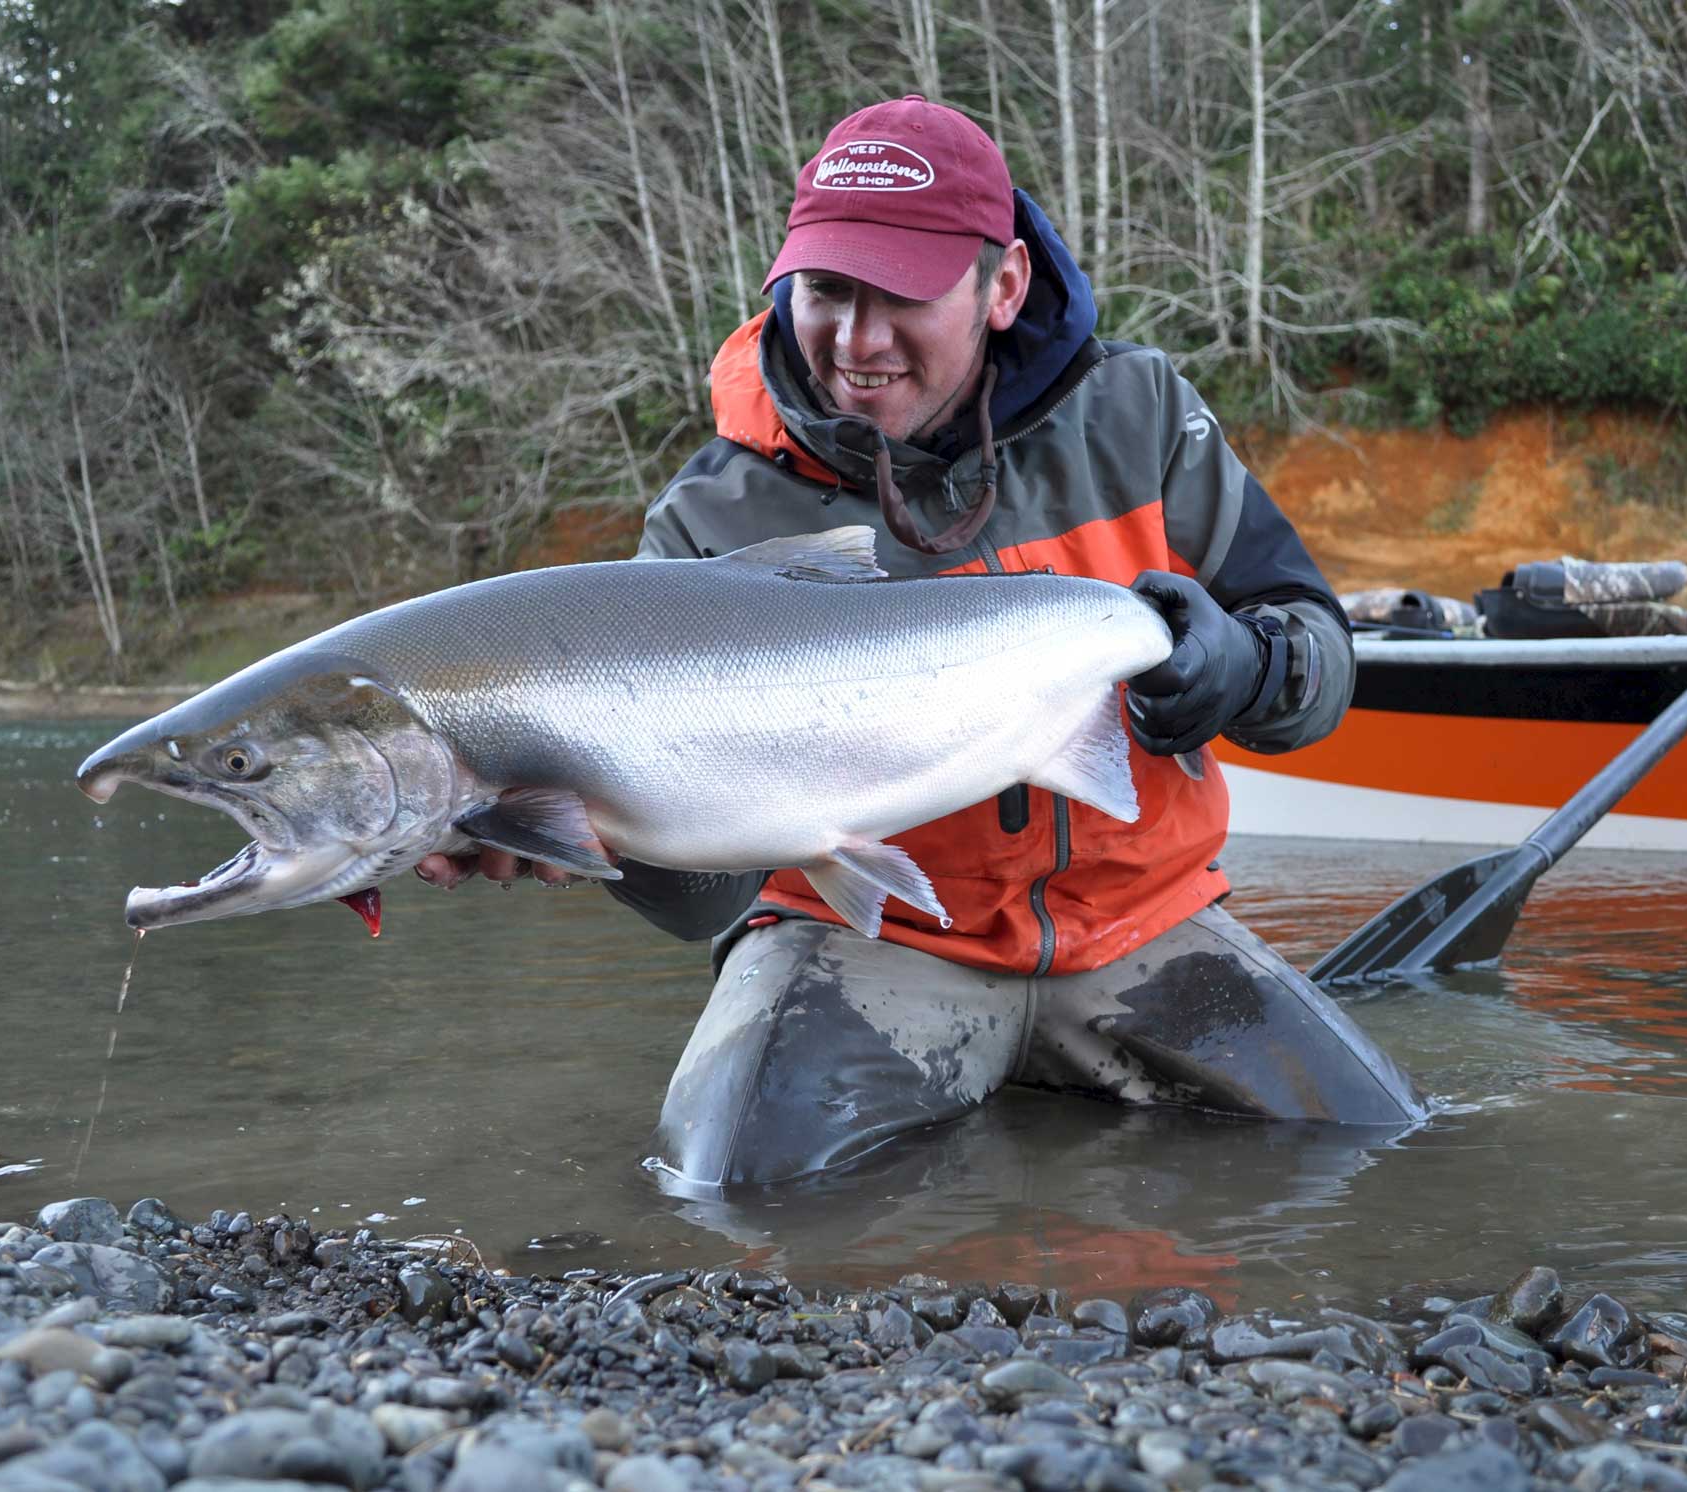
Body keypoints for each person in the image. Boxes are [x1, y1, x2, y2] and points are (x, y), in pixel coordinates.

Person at [421, 96, 1422, 1187]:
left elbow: (1318, 662)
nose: (856, 341)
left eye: (899, 296)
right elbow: (705, 900)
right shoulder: (711, 522)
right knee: (723, 1193)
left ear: (1002, 289)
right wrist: (587, 834)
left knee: (1378, 1149)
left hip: (1142, 927)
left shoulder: (1140, 415)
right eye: (826, 292)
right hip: (861, 943)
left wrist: (1248, 667)